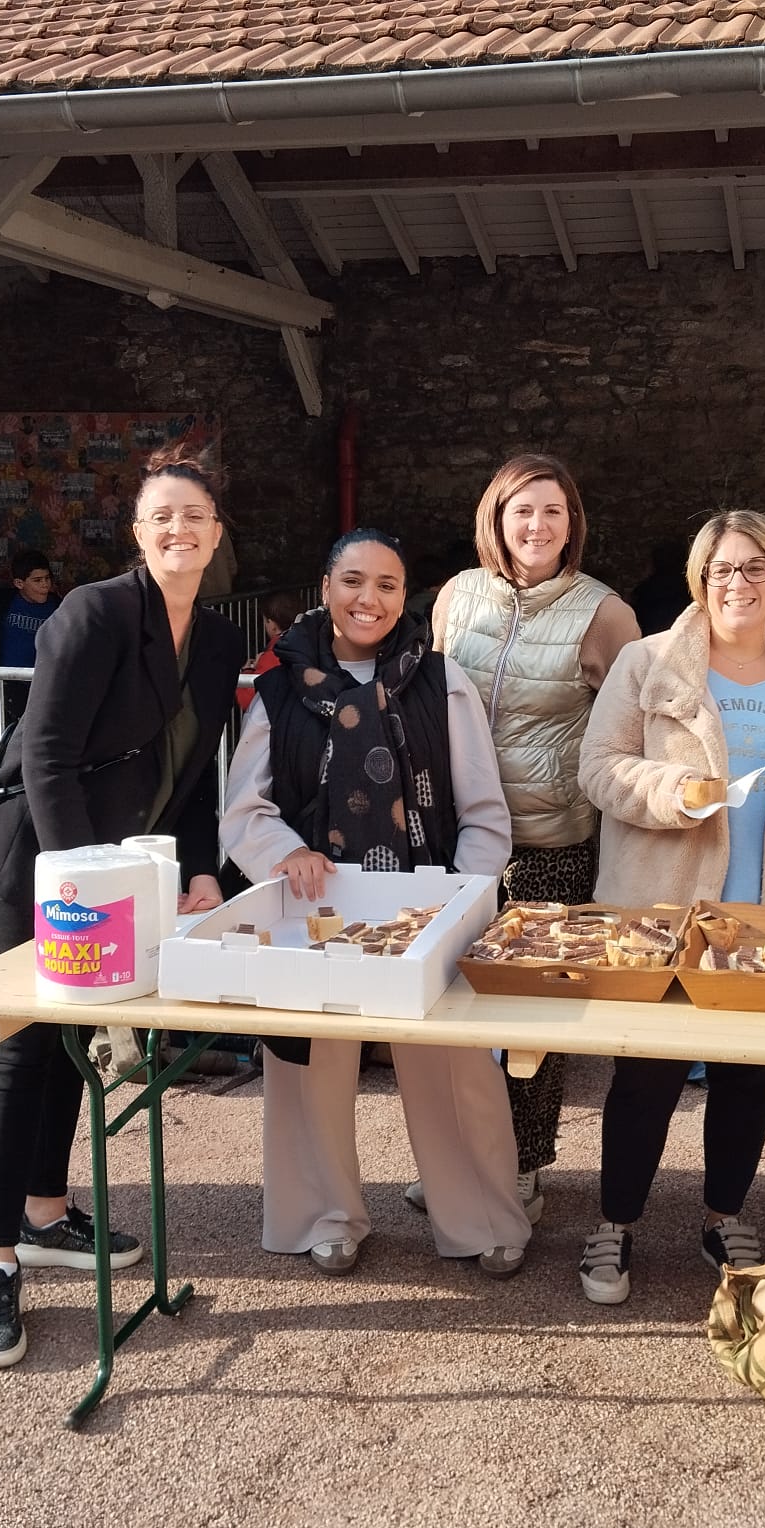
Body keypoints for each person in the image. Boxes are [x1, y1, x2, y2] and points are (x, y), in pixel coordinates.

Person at [0, 444, 245, 1370]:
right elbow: (46, 756)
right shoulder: (94, 611)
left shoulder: (219, 639)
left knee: (75, 1043)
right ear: (138, 533)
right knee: (23, 1045)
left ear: (217, 534)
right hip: (38, 864)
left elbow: (191, 772)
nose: (178, 529)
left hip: (121, 874)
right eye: (161, 516)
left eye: (194, 516)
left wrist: (202, 869)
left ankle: (46, 1213)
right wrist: (83, 878)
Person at [576, 510, 765, 1305]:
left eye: (754, 568)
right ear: (700, 580)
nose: (738, 583)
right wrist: (676, 791)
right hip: (662, 913)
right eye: (722, 570)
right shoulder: (645, 663)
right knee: (645, 1075)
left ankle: (724, 1216)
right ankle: (615, 1223)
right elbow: (599, 766)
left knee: (747, 1076)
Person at [221, 529, 529, 1279]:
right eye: (353, 581)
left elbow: (482, 807)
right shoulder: (278, 688)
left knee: (452, 1066)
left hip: (427, 903)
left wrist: (462, 894)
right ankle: (324, 1214)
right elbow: (246, 809)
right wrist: (285, 853)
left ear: (404, 595)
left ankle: (482, 1217)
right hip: (315, 908)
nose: (370, 598)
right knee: (308, 1066)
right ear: (325, 588)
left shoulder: (441, 680)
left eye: (387, 585)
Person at [427, 452, 639, 1217]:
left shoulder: (603, 612)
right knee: (449, 1007)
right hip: (457, 839)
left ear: (572, 523)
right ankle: (460, 1157)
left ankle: (521, 1165)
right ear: (496, 518)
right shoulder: (456, 596)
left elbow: (631, 727)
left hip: (550, 842)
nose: (537, 525)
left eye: (554, 511)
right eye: (522, 509)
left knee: (531, 1016)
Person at [0, 548, 58, 723]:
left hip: (45, 680)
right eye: (37, 580)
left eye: (47, 578)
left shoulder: (58, 605)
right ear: (19, 583)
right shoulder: (4, 601)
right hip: (12, 682)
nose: (45, 585)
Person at [236, 588, 303, 713]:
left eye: (265, 621)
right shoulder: (311, 642)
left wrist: (248, 670)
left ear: (272, 625)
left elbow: (248, 700)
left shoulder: (274, 655)